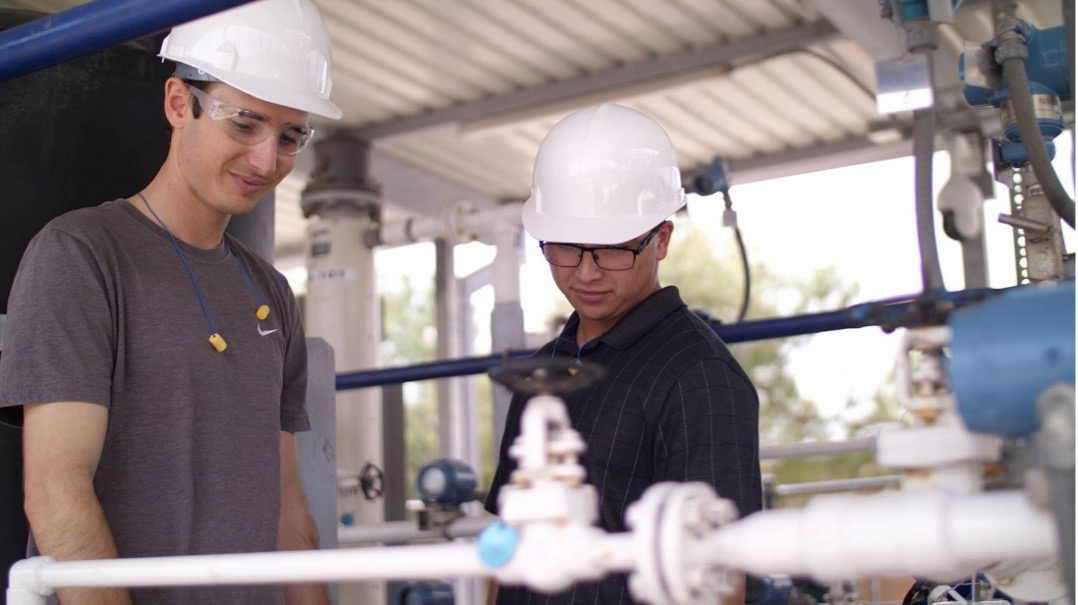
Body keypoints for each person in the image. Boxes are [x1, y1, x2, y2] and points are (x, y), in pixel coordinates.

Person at [0, 1, 341, 603]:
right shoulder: (80, 256)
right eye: (244, 123)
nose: (266, 161)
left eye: (290, 136)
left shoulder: (272, 294)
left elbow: (288, 507)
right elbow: (56, 491)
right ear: (179, 104)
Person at [485, 103, 762, 604]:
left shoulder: (698, 376)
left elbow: (722, 577)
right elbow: (509, 542)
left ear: (662, 239)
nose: (586, 273)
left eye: (612, 249)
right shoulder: (545, 372)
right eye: (567, 247)